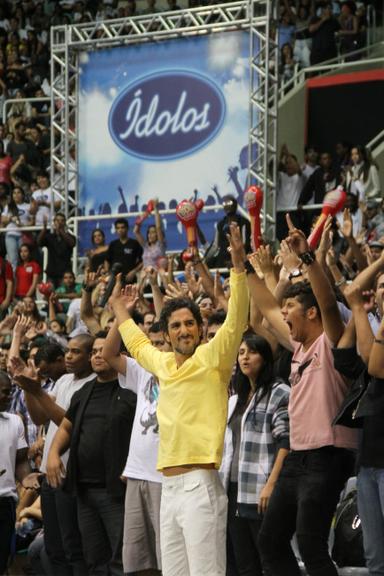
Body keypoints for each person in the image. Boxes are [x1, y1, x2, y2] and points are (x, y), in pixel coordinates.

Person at [110, 223, 249, 576]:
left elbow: (235, 320)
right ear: (168, 333)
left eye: (190, 324)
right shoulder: (164, 364)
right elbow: (139, 345)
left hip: (201, 485)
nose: (184, 330)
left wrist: (237, 268)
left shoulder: (214, 358)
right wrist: (119, 309)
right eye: (175, 326)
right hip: (167, 487)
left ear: (200, 328)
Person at [248, 215, 356, 576]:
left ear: (309, 312)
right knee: (271, 541)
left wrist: (308, 259)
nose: (284, 313)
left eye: (290, 308)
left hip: (328, 454)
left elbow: (328, 303)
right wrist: (243, 266)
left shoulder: (330, 340)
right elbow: (263, 310)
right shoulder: (296, 346)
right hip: (298, 457)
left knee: (311, 544)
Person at [46, 333, 137, 576]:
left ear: (121, 357)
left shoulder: (132, 392)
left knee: (122, 561)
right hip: (84, 490)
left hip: (116, 491)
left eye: (104, 350)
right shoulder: (84, 391)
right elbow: (66, 426)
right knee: (94, 559)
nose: (98, 355)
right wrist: (53, 453)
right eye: (95, 351)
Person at [12, 334, 95, 576]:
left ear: (91, 356)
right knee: (54, 547)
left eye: (76, 352)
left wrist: (37, 391)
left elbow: (67, 422)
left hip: (69, 475)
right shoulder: (64, 381)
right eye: (68, 350)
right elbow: (40, 417)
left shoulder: (92, 384)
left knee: (73, 547)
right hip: (49, 476)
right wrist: (28, 388)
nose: (69, 356)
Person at [103, 321, 171, 575]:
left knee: (168, 557)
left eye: (160, 343)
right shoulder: (142, 370)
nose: (155, 349)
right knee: (136, 558)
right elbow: (109, 354)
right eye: (151, 344)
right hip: (137, 474)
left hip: (166, 477)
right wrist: (121, 317)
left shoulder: (182, 370)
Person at [220, 331, 290, 576]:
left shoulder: (279, 391)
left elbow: (286, 441)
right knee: (244, 563)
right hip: (234, 489)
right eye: (241, 353)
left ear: (266, 358)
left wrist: (271, 484)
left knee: (269, 560)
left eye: (252, 351)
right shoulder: (236, 399)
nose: (245, 357)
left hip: (261, 488)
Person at [0, 370, 40, 574]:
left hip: (5, 503)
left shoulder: (14, 422)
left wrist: (26, 478)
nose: (7, 397)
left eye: (8, 392)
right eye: (3, 392)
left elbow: (21, 460)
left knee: (4, 559)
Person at [205, 196, 251, 268]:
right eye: (225, 204)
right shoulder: (220, 224)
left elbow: (245, 244)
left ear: (235, 205)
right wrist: (204, 259)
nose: (228, 206)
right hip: (222, 261)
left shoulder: (243, 222)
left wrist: (235, 259)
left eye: (230, 203)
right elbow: (215, 245)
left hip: (239, 261)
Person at [37, 213, 76, 287]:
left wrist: (61, 231)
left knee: (63, 294)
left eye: (62, 220)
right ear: (54, 222)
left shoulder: (70, 236)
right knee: (50, 295)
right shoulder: (50, 237)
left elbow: (72, 243)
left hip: (65, 273)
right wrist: (44, 228)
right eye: (57, 220)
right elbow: (39, 242)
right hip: (52, 272)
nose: (59, 222)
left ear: (65, 222)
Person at [1, 185, 33, 271]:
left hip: (24, 235)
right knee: (13, 260)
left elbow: (32, 221)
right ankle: (13, 283)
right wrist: (11, 218)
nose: (16, 195)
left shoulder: (28, 206)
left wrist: (23, 225)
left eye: (18, 192)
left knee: (24, 260)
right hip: (11, 235)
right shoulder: (8, 206)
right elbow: (2, 220)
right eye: (14, 193)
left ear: (22, 195)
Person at [106, 218, 143, 283]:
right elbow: (107, 261)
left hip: (130, 279)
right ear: (116, 230)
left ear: (127, 228)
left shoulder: (134, 243)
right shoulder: (113, 244)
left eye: (122, 227)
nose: (120, 230)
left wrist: (133, 272)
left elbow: (142, 261)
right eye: (118, 228)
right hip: (114, 280)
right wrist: (108, 273)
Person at [133, 199, 166, 270]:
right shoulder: (146, 246)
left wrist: (156, 209)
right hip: (145, 276)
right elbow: (135, 231)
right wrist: (146, 214)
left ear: (157, 235)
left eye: (153, 232)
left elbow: (158, 227)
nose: (150, 235)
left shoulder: (160, 245)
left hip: (157, 276)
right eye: (149, 232)